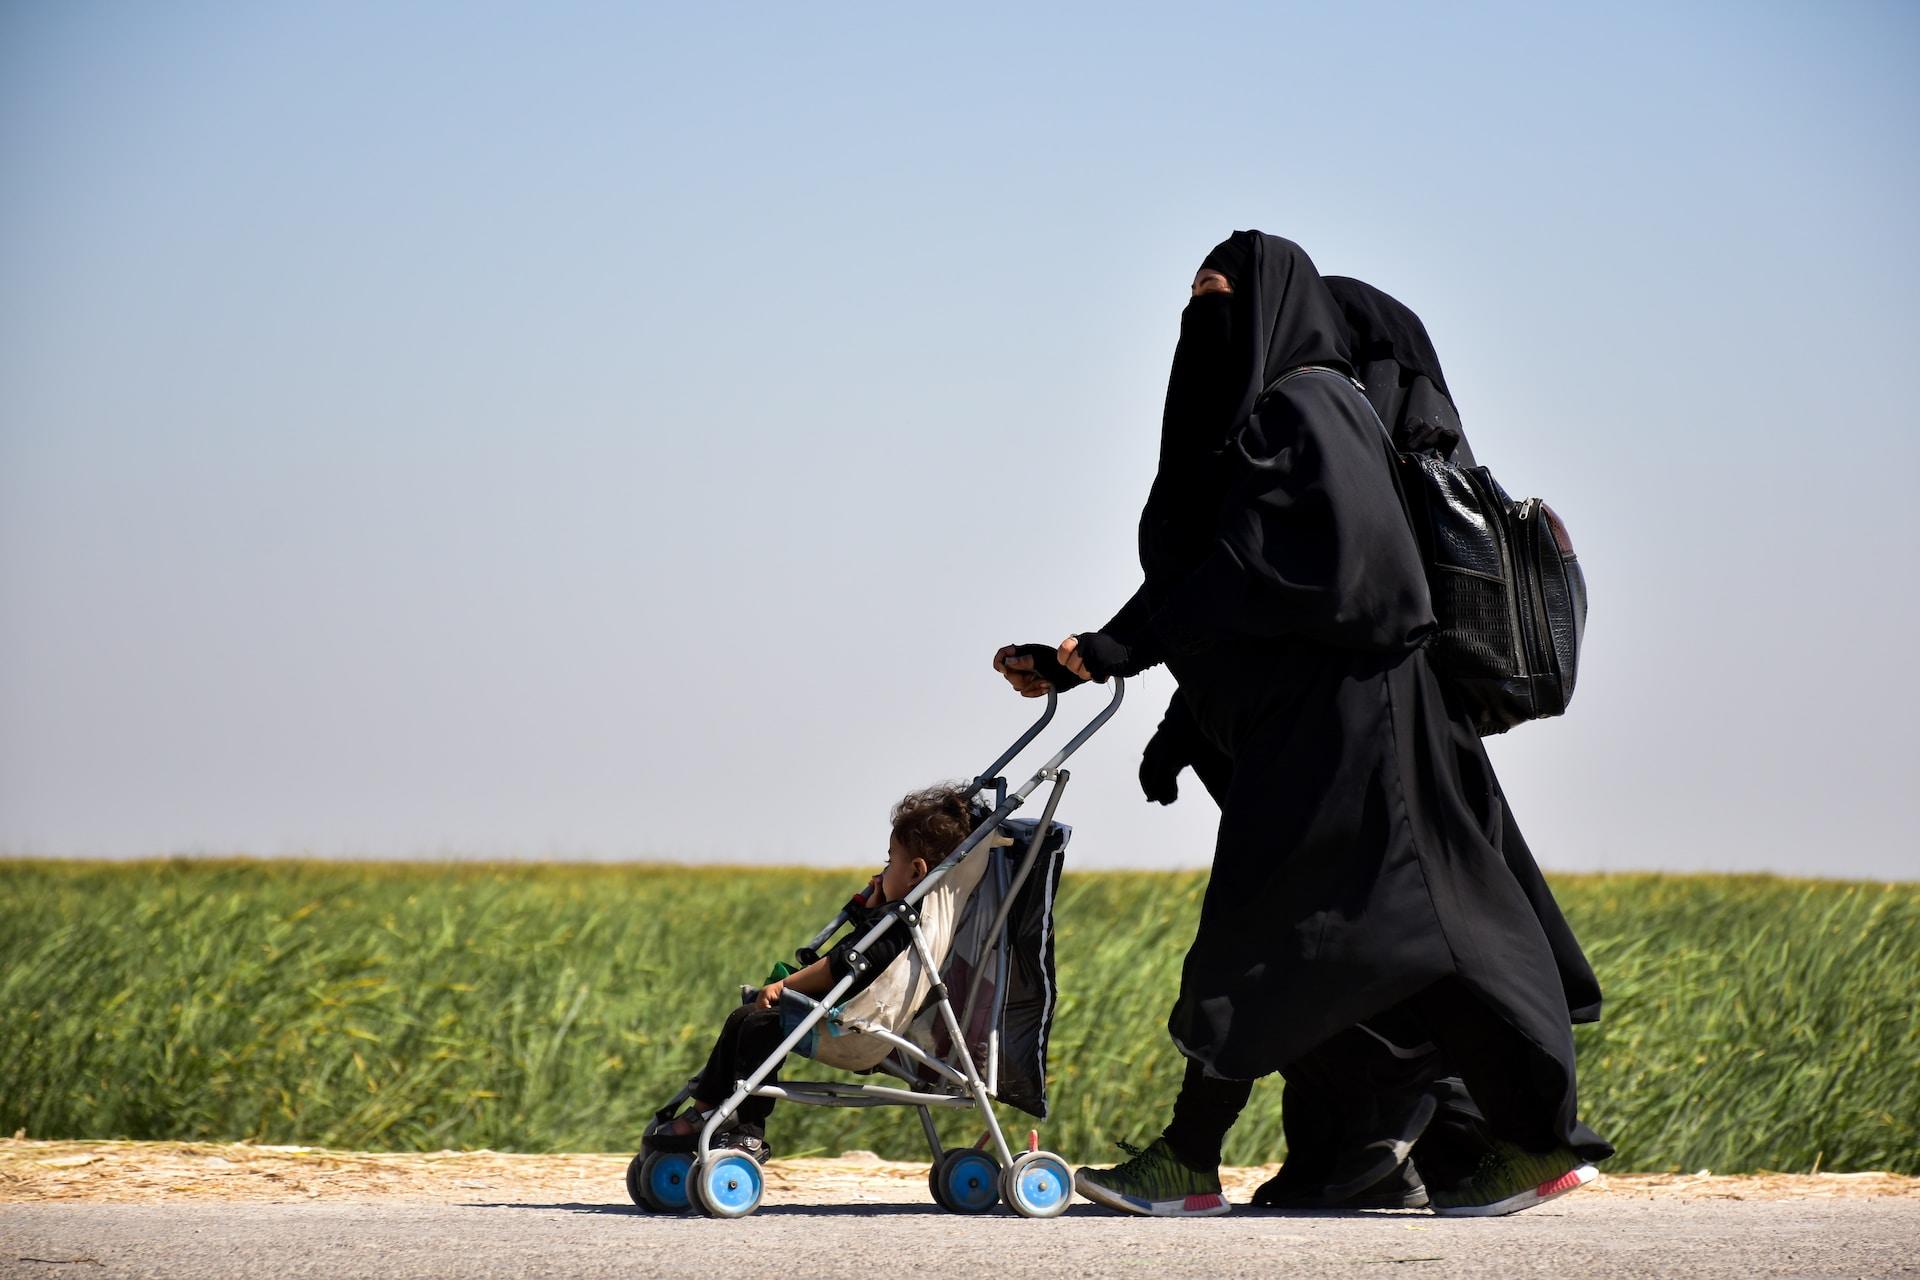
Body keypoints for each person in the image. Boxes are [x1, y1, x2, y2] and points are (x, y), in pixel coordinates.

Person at [995, 232, 1612, 1218]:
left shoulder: (1307, 411)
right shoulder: (1280, 421)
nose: (1205, 325)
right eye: (1193, 301)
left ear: (1271, 315)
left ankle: (1193, 1155)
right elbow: (1230, 586)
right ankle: (1516, 1145)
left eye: (1221, 302)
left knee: (1284, 930)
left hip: (1355, 727)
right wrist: (1149, 691)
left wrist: (1112, 649)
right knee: (1376, 945)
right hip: (1324, 728)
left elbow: (1248, 576)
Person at [644, 784, 974, 1161]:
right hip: (841, 1016)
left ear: (916, 871)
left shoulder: (898, 927)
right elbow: (863, 957)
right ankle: (706, 1109)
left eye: (889, 862)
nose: (881, 871)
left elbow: (841, 966)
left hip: (851, 1031)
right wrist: (874, 907)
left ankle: (748, 1135)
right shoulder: (891, 921)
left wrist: (784, 985)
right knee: (744, 1018)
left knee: (755, 1026)